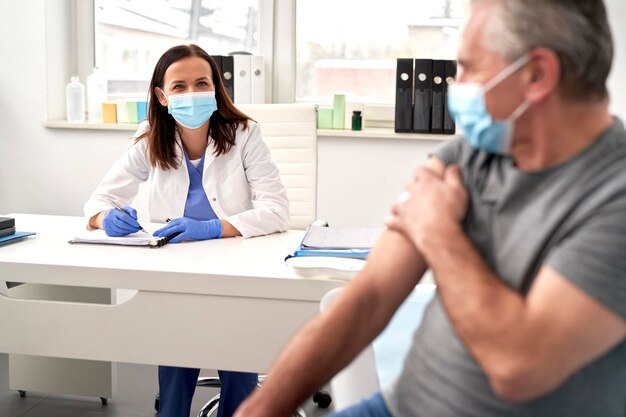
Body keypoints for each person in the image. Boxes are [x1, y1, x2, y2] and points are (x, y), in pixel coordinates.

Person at [234, 0, 626, 416]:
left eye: (470, 67)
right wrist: (260, 409)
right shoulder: (470, 156)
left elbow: (518, 366)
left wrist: (438, 230)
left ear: (537, 75)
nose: (456, 85)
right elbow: (369, 297)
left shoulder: (612, 197)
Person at [84, 44, 289, 417]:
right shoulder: (149, 137)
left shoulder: (244, 134)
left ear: (216, 88)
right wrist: (105, 219)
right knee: (177, 352)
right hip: (177, 271)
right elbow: (100, 199)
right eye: (179, 86)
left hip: (237, 267)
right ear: (162, 96)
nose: (191, 93)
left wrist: (213, 227)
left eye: (201, 83)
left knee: (236, 356)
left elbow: (276, 211)